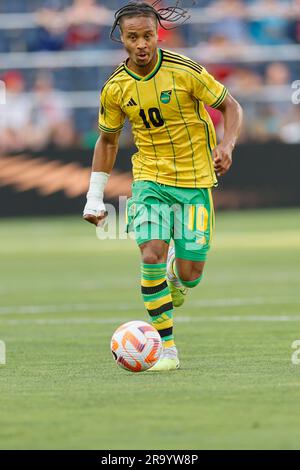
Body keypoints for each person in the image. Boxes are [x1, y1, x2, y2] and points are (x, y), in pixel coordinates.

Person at [83, 1, 243, 371]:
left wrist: (227, 144)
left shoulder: (185, 71)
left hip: (195, 181)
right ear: (121, 39)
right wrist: (94, 197)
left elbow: (231, 106)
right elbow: (107, 141)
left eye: (148, 35)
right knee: (150, 253)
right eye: (133, 37)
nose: (141, 44)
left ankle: (177, 274)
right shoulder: (115, 88)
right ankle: (166, 347)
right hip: (150, 181)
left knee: (190, 275)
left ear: (158, 34)